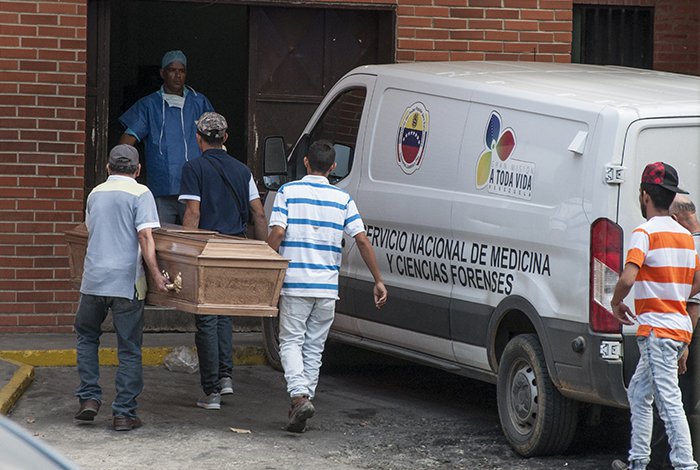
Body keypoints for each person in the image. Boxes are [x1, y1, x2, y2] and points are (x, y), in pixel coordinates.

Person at [266, 140, 388, 433]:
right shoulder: (343, 200)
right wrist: (378, 280)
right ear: (333, 168)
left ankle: (298, 396)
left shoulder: (288, 192)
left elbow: (278, 232)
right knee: (314, 347)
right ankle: (304, 402)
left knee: (291, 341)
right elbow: (361, 239)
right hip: (326, 288)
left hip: (295, 284)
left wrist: (264, 263)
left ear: (306, 162)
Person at [610, 162, 700, 470]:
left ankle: (686, 465)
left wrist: (615, 302)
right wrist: (675, 294)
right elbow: (697, 280)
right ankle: (638, 461)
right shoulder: (686, 236)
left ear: (645, 195)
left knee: (669, 401)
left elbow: (627, 278)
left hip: (657, 331)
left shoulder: (644, 233)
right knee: (639, 392)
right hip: (677, 327)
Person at [73, 144, 169, 431]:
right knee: (129, 348)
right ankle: (124, 413)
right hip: (126, 282)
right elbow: (145, 237)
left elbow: (90, 231)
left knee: (87, 337)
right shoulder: (142, 193)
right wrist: (157, 275)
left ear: (108, 168)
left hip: (93, 280)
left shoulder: (95, 193)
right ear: (138, 170)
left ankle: (89, 399)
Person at [179, 112, 268, 410]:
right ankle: (226, 378)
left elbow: (192, 212)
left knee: (206, 318)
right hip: (234, 248)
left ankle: (211, 391)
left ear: (198, 138)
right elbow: (259, 213)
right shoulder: (243, 171)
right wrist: (266, 252)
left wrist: (186, 252)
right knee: (224, 314)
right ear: (226, 138)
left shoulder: (193, 168)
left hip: (206, 248)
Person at [119, 50, 214, 224]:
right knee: (161, 238)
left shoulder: (199, 102)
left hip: (194, 188)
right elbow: (128, 140)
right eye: (172, 70)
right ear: (163, 73)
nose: (177, 75)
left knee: (194, 241)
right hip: (162, 187)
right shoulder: (149, 105)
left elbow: (215, 139)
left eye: (182, 71)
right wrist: (122, 172)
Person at [644, 195, 700, 470]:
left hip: (686, 330)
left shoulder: (692, 245)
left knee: (673, 401)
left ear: (676, 219)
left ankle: (660, 463)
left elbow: (693, 307)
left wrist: (685, 344)